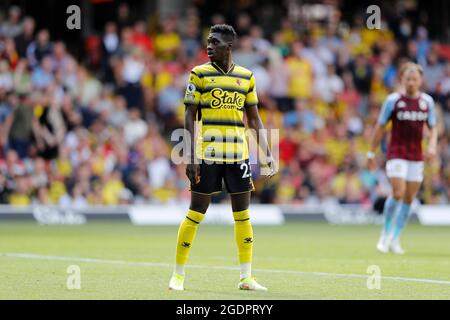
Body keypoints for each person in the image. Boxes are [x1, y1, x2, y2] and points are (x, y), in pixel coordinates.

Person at [168, 24, 276, 291]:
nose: (208, 46)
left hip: (238, 156)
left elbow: (254, 119)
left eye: (214, 42)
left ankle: (246, 277)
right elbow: (189, 115)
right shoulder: (199, 74)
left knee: (243, 215)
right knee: (196, 213)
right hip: (207, 155)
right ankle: (178, 275)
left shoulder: (246, 77)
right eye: (207, 41)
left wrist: (268, 153)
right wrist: (190, 156)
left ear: (229, 46)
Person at [368, 62, 437, 254]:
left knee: (409, 197)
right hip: (396, 153)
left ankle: (395, 238)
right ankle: (384, 234)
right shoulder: (393, 101)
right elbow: (380, 127)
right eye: (408, 79)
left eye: (415, 79)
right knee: (398, 192)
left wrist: (431, 145)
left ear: (420, 80)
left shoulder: (427, 102)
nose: (412, 82)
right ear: (402, 80)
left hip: (416, 155)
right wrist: (371, 152)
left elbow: (433, 128)